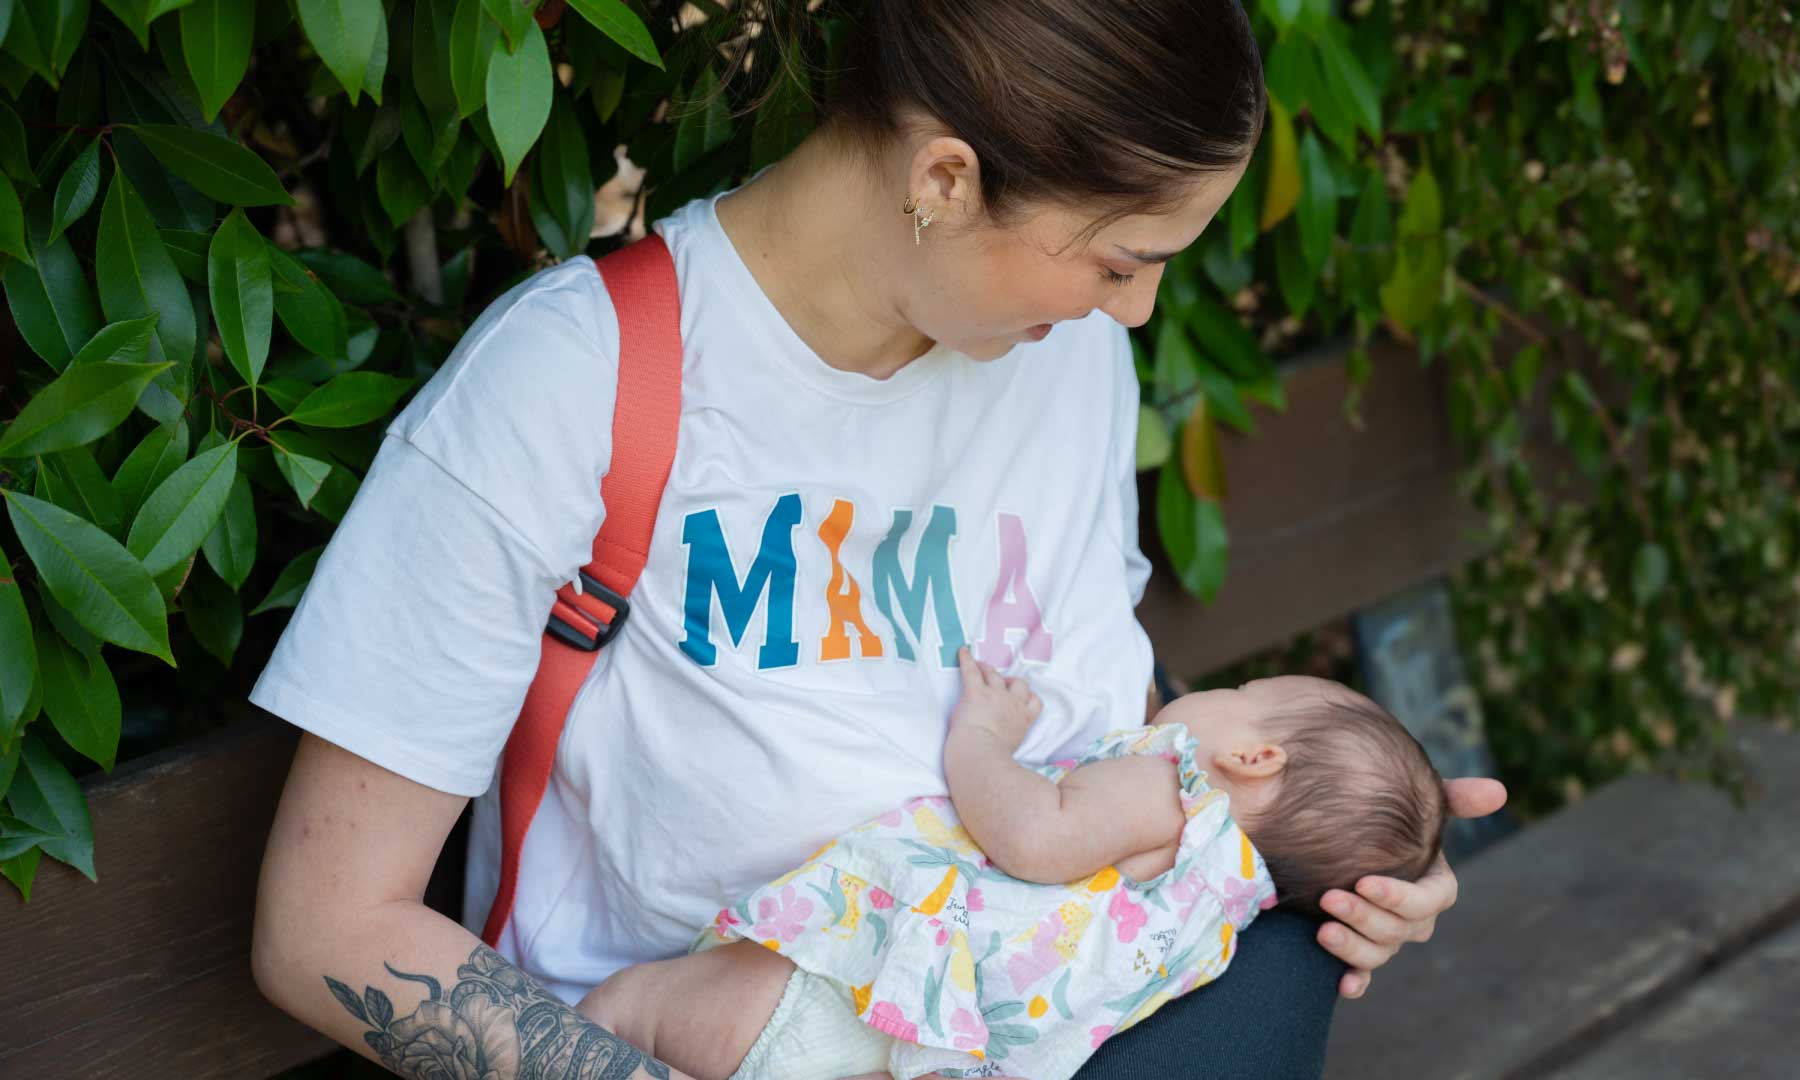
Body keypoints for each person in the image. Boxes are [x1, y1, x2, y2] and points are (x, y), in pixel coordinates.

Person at [249, 2, 1509, 1077]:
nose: (1139, 313)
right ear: (945, 179)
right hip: (709, 1035)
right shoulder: (576, 383)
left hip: (1026, 1013)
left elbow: (1090, 704)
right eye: (1124, 261)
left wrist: (1322, 835)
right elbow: (327, 926)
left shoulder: (1062, 364)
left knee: (1273, 974)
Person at [576, 651, 1449, 1080]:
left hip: (850, 995)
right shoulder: (1225, 915)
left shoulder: (1176, 796)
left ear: (1253, 757)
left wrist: (983, 738)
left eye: (1246, 694)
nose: (1222, 691)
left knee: (616, 1016)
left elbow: (1036, 835)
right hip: (907, 1056)